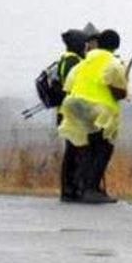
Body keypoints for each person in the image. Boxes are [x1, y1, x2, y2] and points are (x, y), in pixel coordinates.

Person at [58, 28, 129, 204]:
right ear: (116, 46)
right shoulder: (114, 63)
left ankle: (78, 188)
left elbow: (68, 85)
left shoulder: (82, 62)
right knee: (103, 148)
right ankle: (91, 189)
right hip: (99, 109)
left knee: (85, 148)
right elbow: (120, 92)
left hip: (74, 105)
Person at [56, 28, 87, 202]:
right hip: (71, 112)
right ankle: (71, 188)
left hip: (65, 110)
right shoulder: (73, 61)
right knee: (74, 151)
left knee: (73, 150)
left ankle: (70, 188)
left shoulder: (65, 59)